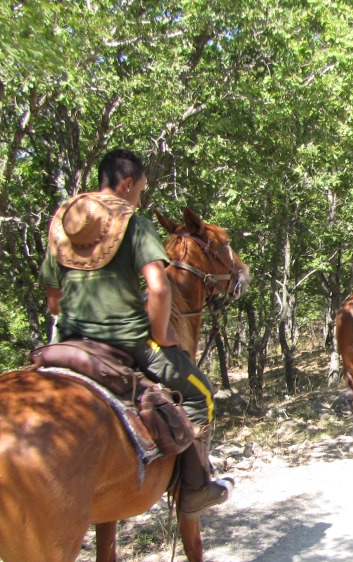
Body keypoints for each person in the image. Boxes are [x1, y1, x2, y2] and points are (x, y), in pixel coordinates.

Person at [40, 148, 232, 517]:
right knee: (200, 394)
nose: (140, 197)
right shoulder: (134, 224)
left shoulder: (63, 225)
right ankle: (195, 489)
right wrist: (160, 337)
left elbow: (53, 301)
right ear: (127, 184)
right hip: (128, 341)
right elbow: (159, 290)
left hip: (67, 342)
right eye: (141, 189)